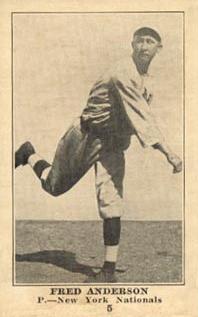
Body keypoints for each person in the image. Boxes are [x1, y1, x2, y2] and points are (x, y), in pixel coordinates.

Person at [15, 27, 182, 283]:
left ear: (159, 48)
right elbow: (143, 119)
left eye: (151, 42)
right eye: (140, 41)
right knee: (53, 186)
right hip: (86, 136)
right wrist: (169, 153)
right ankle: (28, 154)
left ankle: (108, 270)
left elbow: (136, 117)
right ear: (132, 44)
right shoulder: (122, 72)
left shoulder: (144, 78)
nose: (144, 46)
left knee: (112, 201)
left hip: (113, 145)